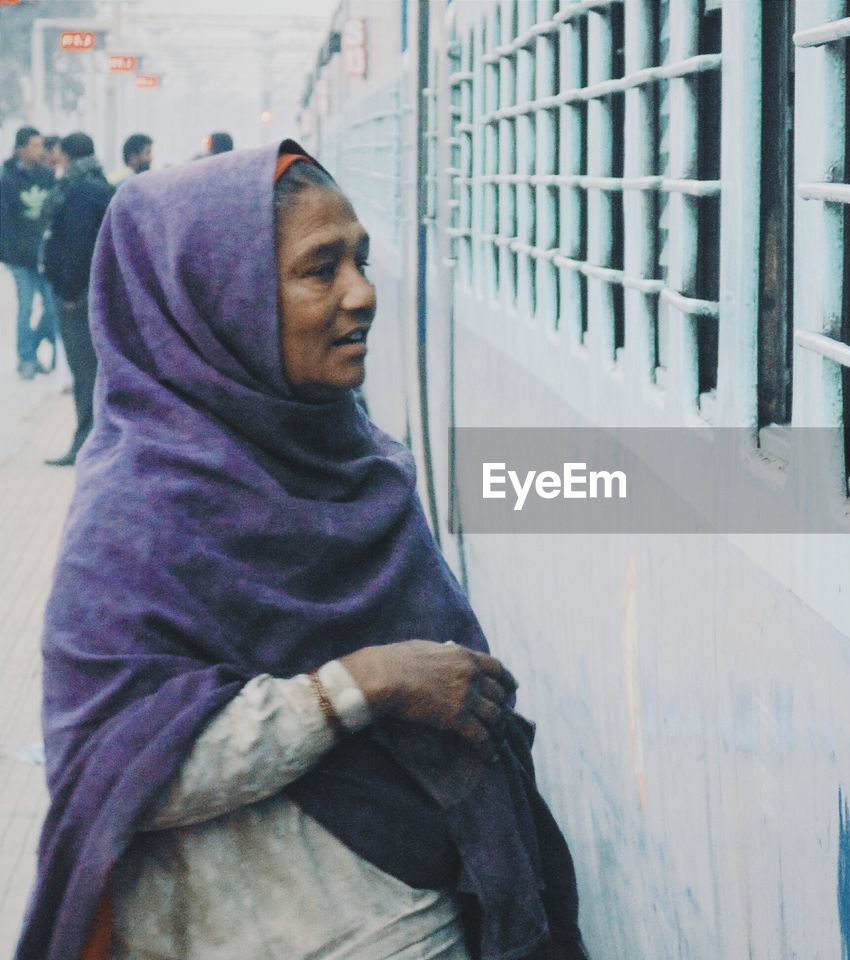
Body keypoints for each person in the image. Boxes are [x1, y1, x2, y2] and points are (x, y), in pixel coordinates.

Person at [16, 142, 587, 960]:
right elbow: (113, 769)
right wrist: (362, 686)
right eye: (321, 269)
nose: (363, 294)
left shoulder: (352, 460)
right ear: (222, 300)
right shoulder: (135, 518)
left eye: (359, 257)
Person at [40, 132, 113, 466]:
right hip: (91, 292)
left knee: (85, 372)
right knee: (91, 372)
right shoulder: (97, 185)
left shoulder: (80, 191)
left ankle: (86, 444)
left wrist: (69, 291)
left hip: (78, 296)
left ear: (66, 154)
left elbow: (78, 246)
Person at [0, 126, 58, 379]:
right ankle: (26, 358)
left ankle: (33, 347)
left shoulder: (48, 175)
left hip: (44, 253)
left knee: (52, 306)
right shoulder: (6, 177)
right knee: (25, 306)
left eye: (41, 145)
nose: (39, 150)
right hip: (18, 256)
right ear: (20, 148)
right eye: (34, 145)